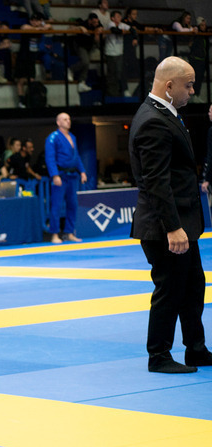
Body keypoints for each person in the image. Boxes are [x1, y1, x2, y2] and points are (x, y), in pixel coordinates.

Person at [129, 57, 211, 374]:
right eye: (188, 85)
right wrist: (173, 227)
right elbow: (155, 182)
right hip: (165, 227)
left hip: (180, 223)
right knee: (170, 290)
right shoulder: (153, 120)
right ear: (169, 86)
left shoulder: (166, 114)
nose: (192, 91)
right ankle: (158, 355)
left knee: (192, 287)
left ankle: (196, 348)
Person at [45, 112, 86, 244]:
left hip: (72, 176)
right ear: (58, 122)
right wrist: (55, 175)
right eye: (65, 119)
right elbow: (50, 158)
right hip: (60, 176)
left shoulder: (72, 137)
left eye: (69, 118)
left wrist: (83, 171)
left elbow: (76, 156)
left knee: (73, 204)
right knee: (56, 206)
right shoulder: (53, 137)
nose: (68, 121)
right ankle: (54, 234)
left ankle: (69, 232)